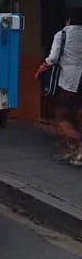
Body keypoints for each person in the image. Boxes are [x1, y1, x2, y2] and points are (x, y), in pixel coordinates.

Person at [40, 9, 82, 166]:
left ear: (69, 20)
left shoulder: (62, 35)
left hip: (68, 81)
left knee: (63, 115)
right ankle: (76, 152)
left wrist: (45, 64)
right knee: (79, 114)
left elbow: (53, 58)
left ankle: (77, 146)